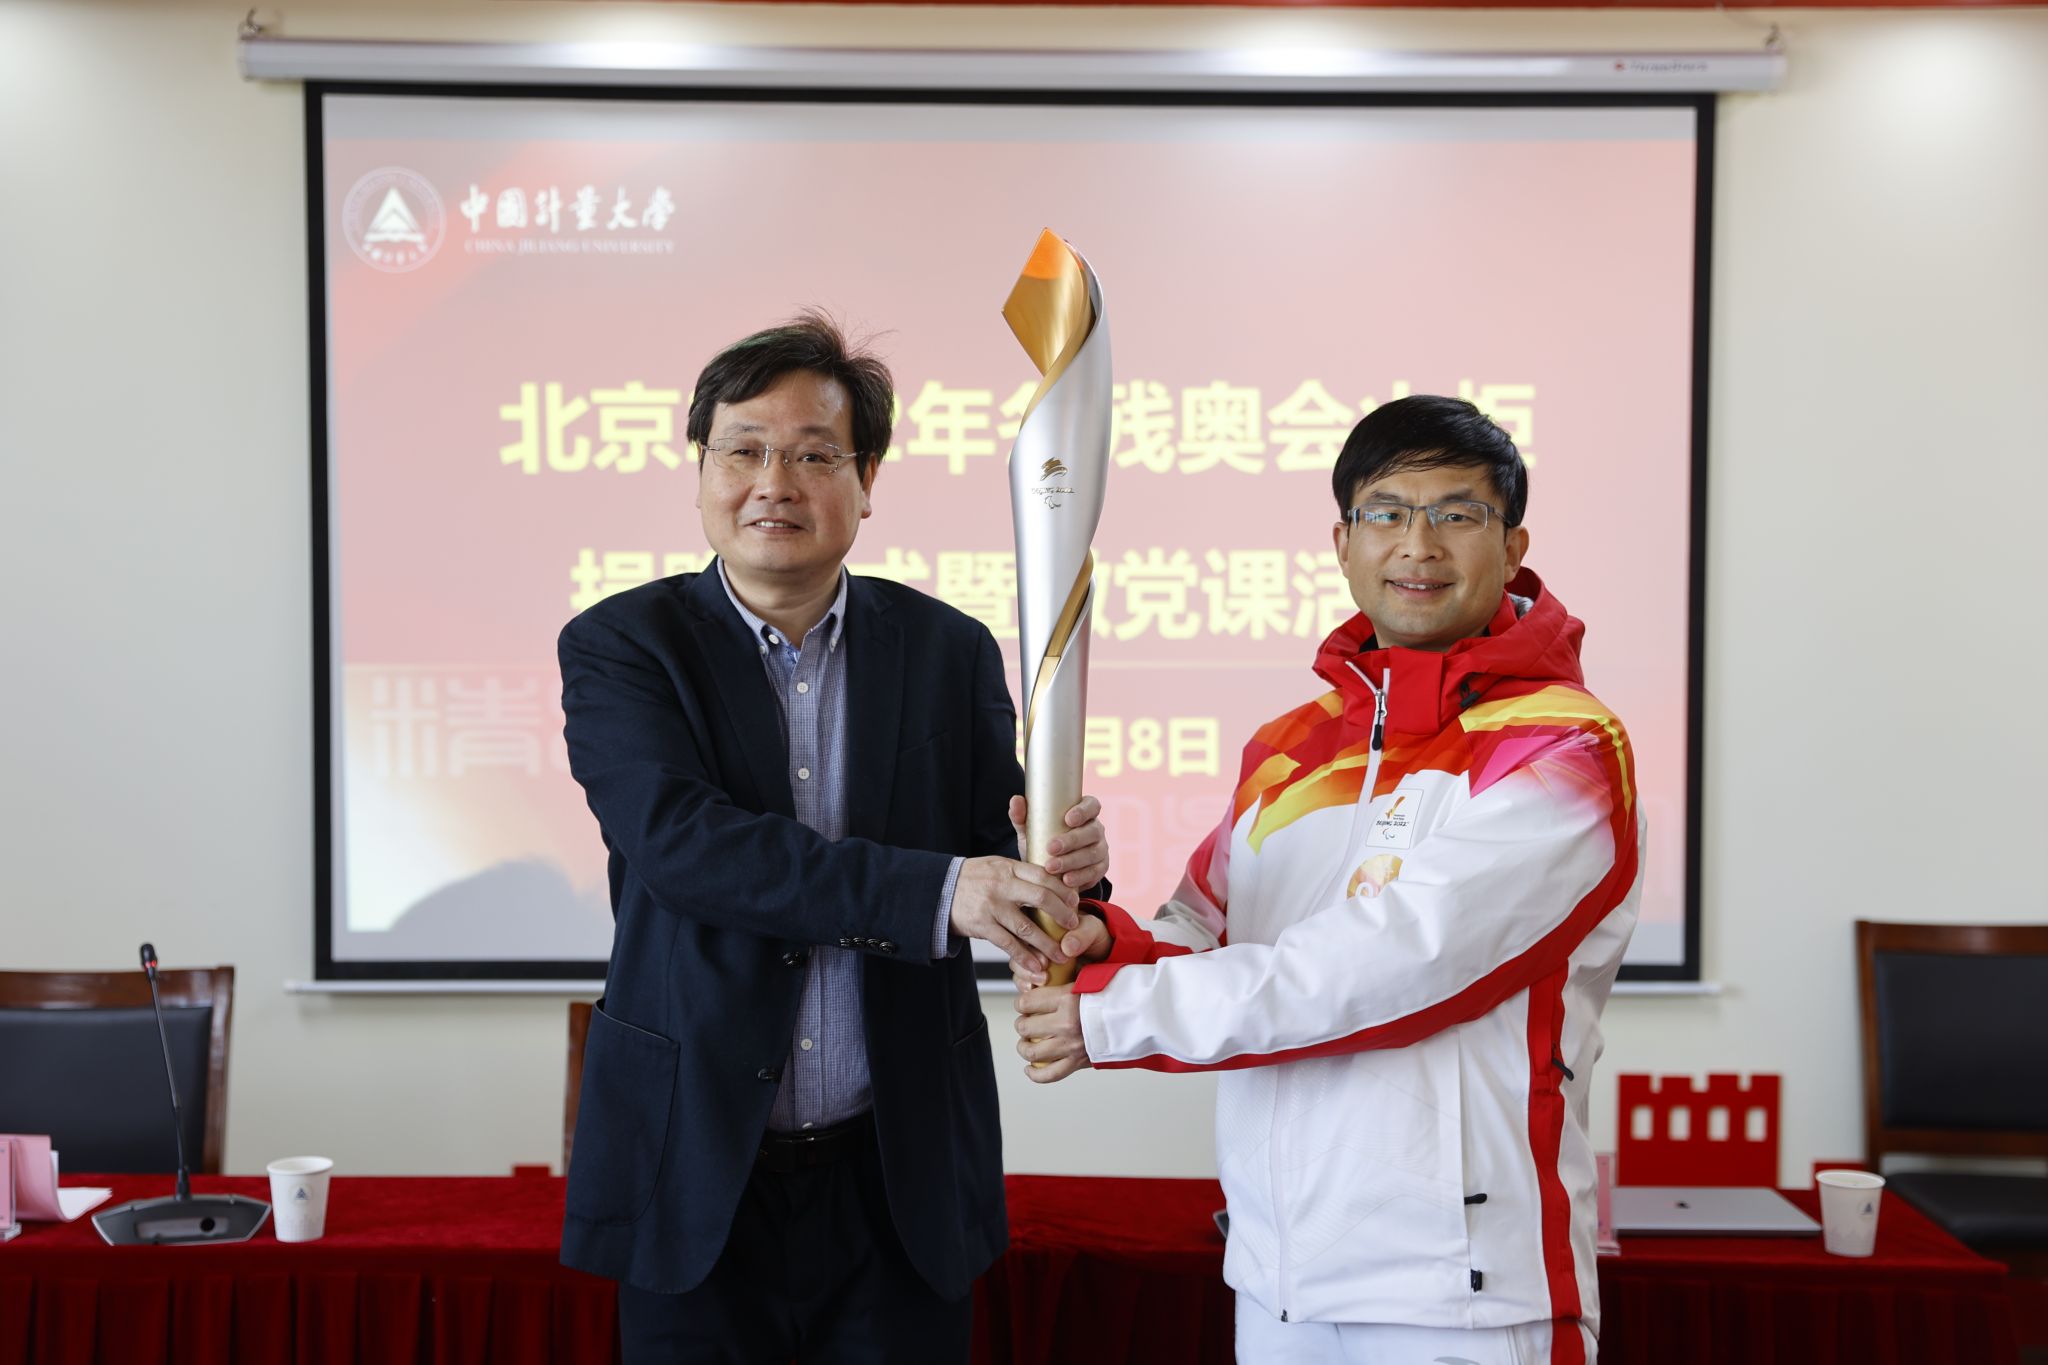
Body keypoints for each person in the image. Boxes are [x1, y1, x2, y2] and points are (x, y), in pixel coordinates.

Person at [1015, 395, 1642, 1365]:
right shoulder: (1289, 747)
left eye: (1456, 513)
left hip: (1459, 1293)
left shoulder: (1562, 748)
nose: (1418, 544)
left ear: (1512, 545)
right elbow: (1200, 933)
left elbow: (1390, 967)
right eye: (1386, 512)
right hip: (1279, 1278)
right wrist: (1100, 945)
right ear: (1343, 543)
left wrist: (1112, 1017)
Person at [557, 312, 1109, 1363]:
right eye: (745, 451)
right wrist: (940, 890)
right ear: (701, 471)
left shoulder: (945, 649)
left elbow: (995, 847)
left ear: (866, 482)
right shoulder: (624, 645)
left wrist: (1063, 869)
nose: (775, 482)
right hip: (698, 1164)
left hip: (898, 1172)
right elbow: (685, 848)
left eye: (815, 455)